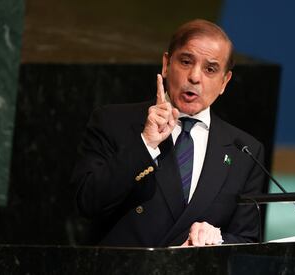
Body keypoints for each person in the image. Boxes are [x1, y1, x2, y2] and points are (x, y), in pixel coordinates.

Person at [73, 19, 265, 247]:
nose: (195, 77)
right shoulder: (114, 122)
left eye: (210, 69)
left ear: (225, 81)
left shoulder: (245, 151)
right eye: (186, 61)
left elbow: (247, 241)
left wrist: (216, 241)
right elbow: (87, 203)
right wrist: (145, 143)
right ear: (166, 64)